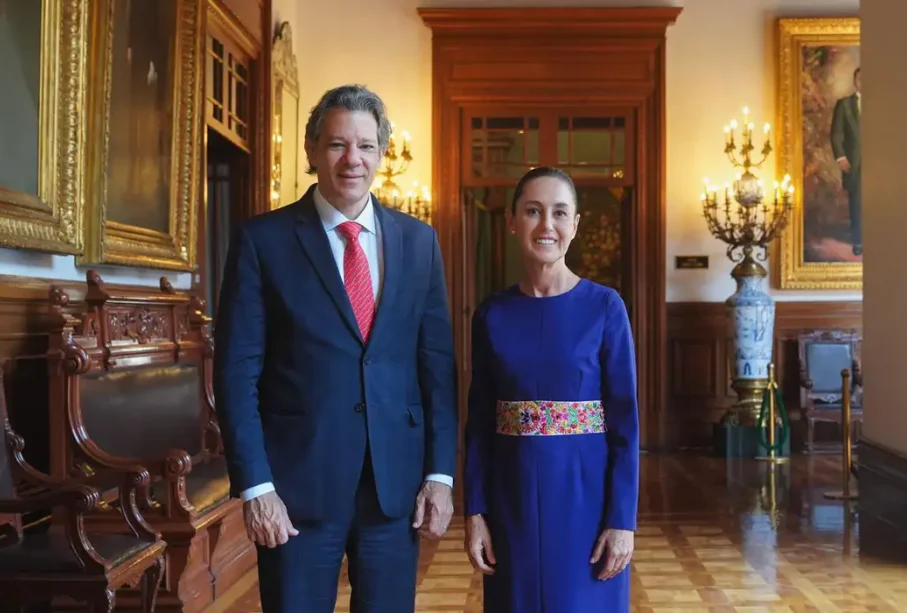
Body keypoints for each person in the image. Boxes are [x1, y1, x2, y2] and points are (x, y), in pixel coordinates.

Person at [214, 84, 458, 613]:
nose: (354, 160)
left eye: (367, 146)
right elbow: (237, 374)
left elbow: (436, 368)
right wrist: (256, 487)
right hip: (296, 491)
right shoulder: (263, 242)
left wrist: (440, 475)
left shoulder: (420, 243)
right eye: (337, 145)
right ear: (311, 151)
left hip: (394, 490)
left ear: (382, 153)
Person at [463, 166, 639, 612]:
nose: (547, 225)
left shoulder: (605, 307)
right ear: (512, 220)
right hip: (510, 502)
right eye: (533, 211)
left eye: (560, 213)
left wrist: (622, 520)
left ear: (575, 225)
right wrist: (475, 511)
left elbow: (625, 426)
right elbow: (479, 423)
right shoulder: (492, 314)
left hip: (586, 501)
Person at [830, 66, 862, 256]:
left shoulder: (882, 102)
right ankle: (859, 241)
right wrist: (841, 157)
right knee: (856, 202)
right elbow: (836, 133)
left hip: (880, 163)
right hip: (853, 162)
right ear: (854, 81)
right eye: (859, 79)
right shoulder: (844, 104)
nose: (863, 82)